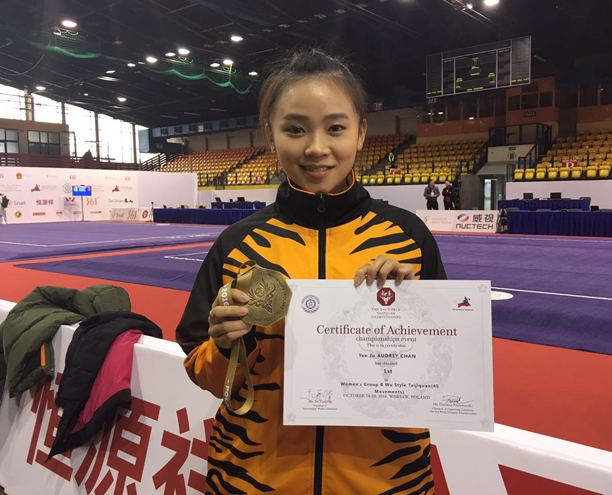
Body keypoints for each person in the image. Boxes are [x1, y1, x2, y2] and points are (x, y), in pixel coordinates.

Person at [176, 47, 446, 494]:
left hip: (384, 479)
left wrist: (412, 310)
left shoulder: (407, 237)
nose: (317, 148)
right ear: (271, 135)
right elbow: (200, 370)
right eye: (296, 129)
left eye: (335, 128)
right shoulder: (237, 245)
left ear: (361, 133)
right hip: (253, 478)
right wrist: (224, 347)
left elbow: (442, 366)